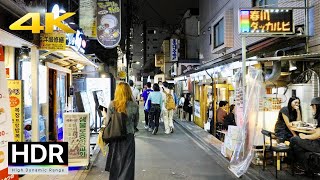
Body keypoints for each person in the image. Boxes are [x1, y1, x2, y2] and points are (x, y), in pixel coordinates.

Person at [103, 82, 139, 180]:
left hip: (115, 137)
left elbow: (107, 123)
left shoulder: (112, 104)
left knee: (116, 162)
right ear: (128, 91)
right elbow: (135, 123)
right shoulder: (134, 105)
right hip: (129, 137)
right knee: (128, 163)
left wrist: (104, 115)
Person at [290, 97, 320, 172]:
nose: (312, 108)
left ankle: (296, 165)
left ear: (316, 106)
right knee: (298, 147)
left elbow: (318, 135)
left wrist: (305, 136)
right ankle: (307, 168)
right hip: (317, 142)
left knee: (294, 139)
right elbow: (318, 131)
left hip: (318, 145)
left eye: (313, 106)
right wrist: (312, 130)